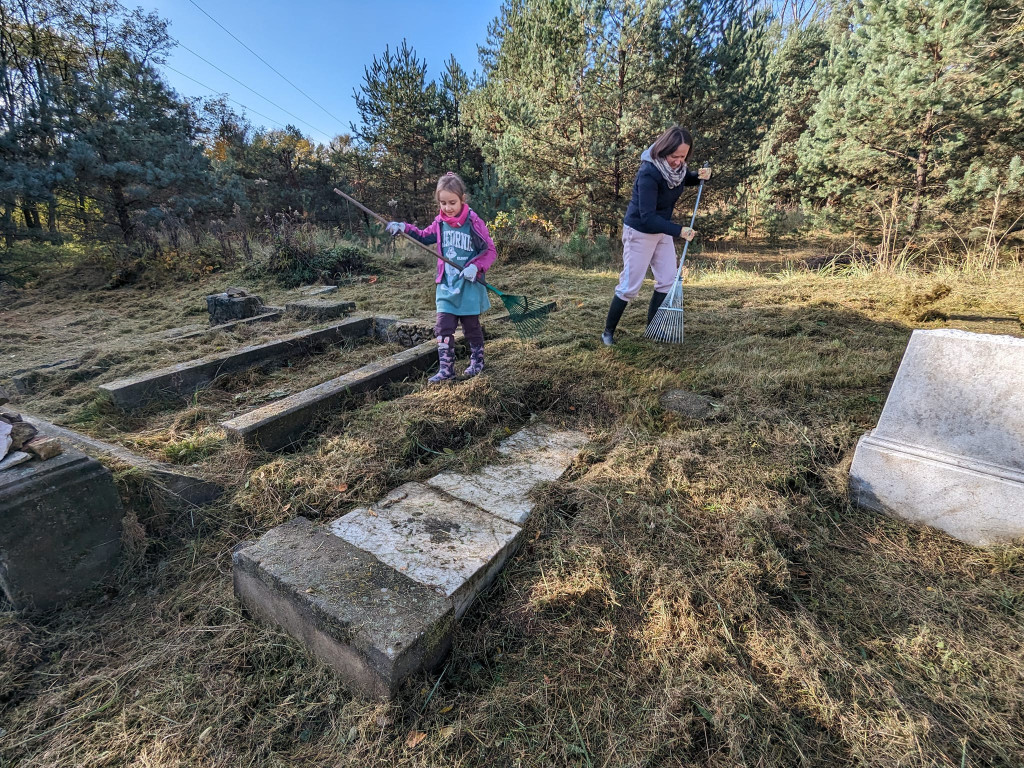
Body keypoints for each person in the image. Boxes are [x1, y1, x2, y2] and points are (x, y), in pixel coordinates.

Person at [602, 126, 712, 345]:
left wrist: (697, 176)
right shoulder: (648, 173)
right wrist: (679, 231)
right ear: (664, 151)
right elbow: (647, 217)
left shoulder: (676, 170)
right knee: (629, 286)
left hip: (662, 230)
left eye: (683, 156)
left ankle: (653, 329)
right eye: (675, 156)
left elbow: (677, 181)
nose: (679, 161)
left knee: (667, 280)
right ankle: (608, 332)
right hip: (640, 232)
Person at [387, 172, 497, 382]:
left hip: (469, 285)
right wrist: (403, 228)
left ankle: (477, 361)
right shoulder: (439, 222)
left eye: (452, 202)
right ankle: (446, 369)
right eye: (443, 203)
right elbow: (423, 235)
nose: (447, 208)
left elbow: (490, 251)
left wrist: (476, 267)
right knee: (443, 327)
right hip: (446, 286)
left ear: (462, 199)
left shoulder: (473, 221)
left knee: (471, 326)